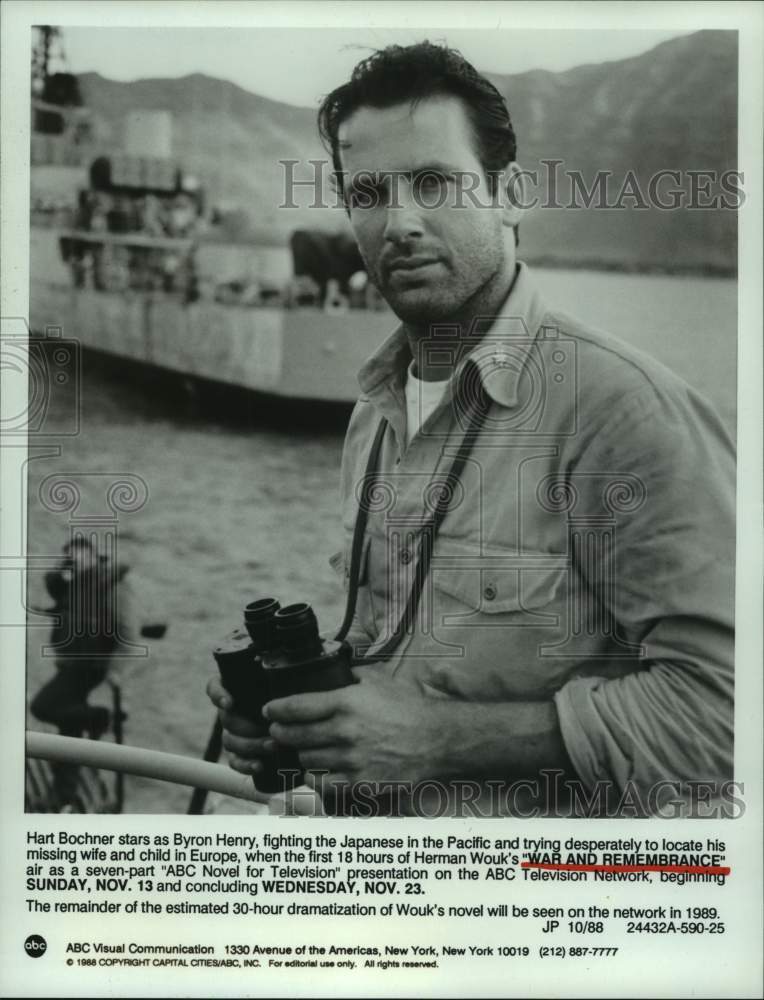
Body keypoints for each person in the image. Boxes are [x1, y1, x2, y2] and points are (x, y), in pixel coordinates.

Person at [207, 42, 735, 817]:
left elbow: (728, 716)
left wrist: (444, 741)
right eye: (370, 193)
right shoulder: (375, 415)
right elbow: (400, 656)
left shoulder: (624, 413)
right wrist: (297, 714)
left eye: (434, 182)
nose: (400, 223)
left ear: (509, 193)